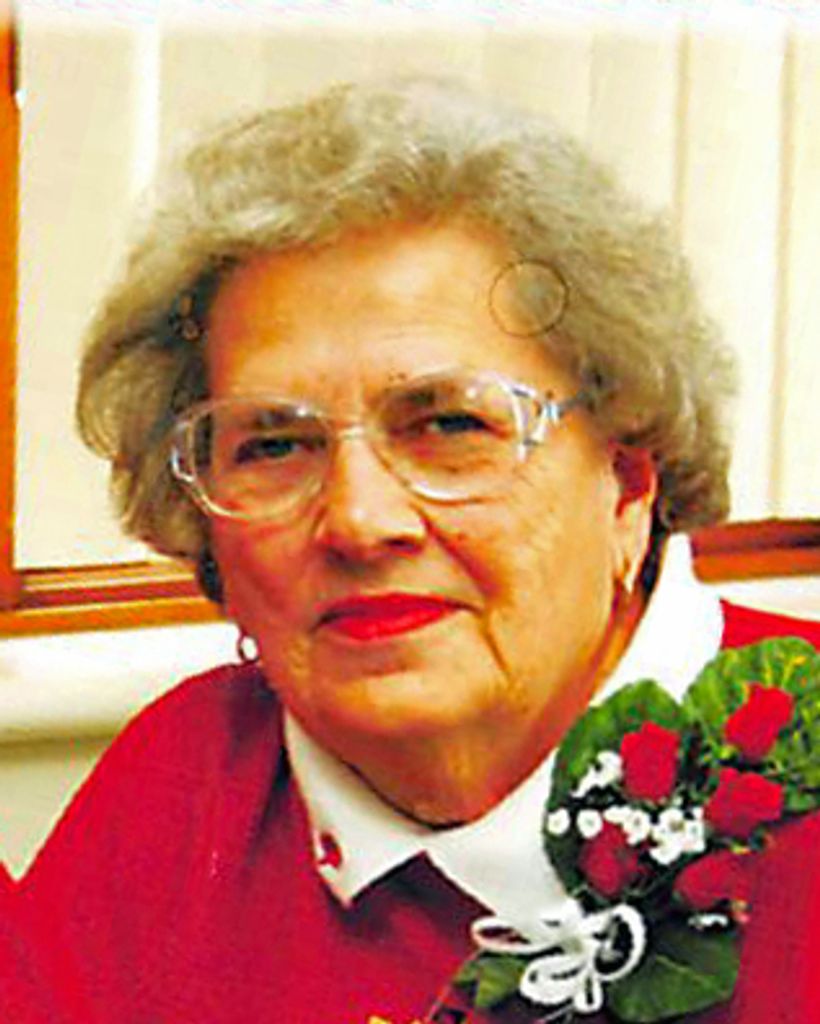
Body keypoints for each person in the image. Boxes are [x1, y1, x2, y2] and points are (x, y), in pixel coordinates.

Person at [15, 77, 819, 1024]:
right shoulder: (183, 788)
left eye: (448, 424)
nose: (359, 521)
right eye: (274, 445)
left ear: (629, 479)